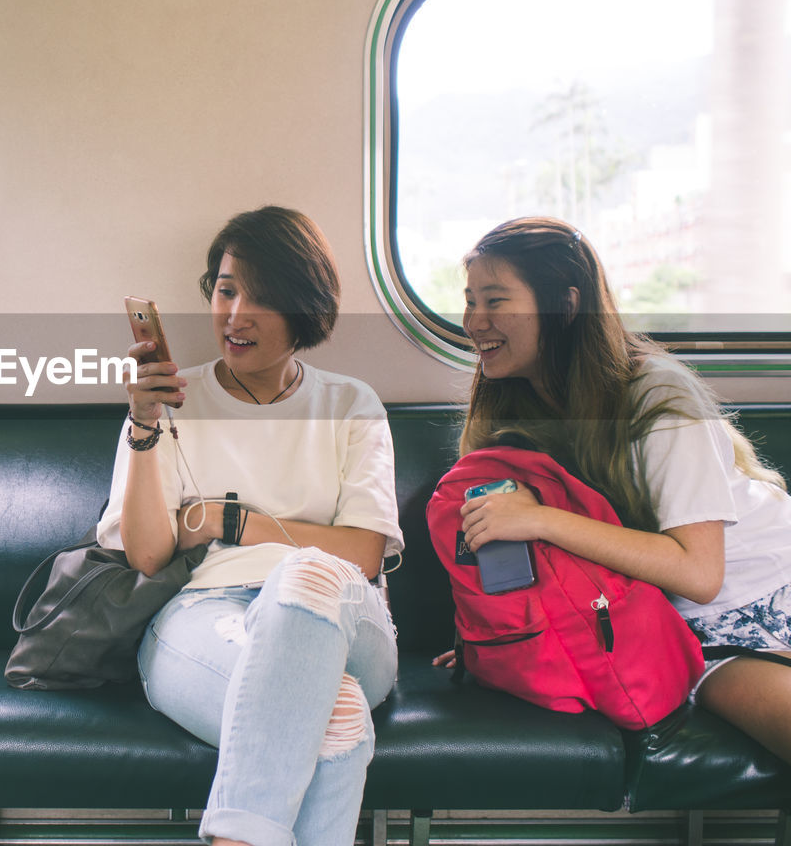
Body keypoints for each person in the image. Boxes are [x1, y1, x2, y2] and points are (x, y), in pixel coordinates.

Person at [97, 205, 402, 846]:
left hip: (343, 621)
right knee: (338, 719)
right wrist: (146, 425)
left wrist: (227, 522)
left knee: (309, 573)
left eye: (261, 298)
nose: (236, 316)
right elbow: (148, 555)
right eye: (228, 290)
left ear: (305, 310)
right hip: (202, 616)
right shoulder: (169, 406)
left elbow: (365, 555)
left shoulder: (351, 405)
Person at [446, 215, 791, 762]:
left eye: (494, 300)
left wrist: (541, 518)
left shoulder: (657, 395)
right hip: (687, 631)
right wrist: (503, 639)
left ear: (565, 305)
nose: (473, 320)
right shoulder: (509, 410)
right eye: (469, 301)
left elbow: (699, 574)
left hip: (770, 581)